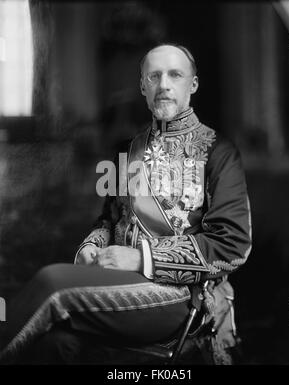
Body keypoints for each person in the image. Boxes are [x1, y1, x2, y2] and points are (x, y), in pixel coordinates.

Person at [0, 43, 252, 364]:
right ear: (143, 87)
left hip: (177, 296)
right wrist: (90, 247)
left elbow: (232, 245)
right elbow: (109, 219)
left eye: (175, 75)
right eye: (154, 76)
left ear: (193, 84)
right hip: (113, 285)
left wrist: (140, 258)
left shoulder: (219, 153)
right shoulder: (127, 150)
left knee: (53, 284)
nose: (163, 85)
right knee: (55, 345)